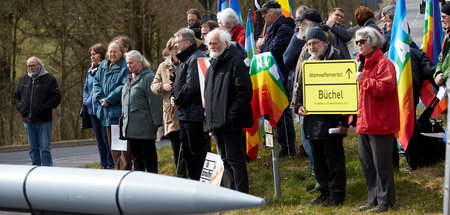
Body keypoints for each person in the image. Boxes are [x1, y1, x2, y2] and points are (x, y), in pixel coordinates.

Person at [294, 27, 348, 207]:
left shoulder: (337, 59)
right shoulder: (307, 63)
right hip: (312, 121)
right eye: (308, 44)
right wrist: (299, 106)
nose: (311, 47)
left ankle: (337, 195)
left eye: (314, 43)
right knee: (318, 159)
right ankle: (324, 191)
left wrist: (344, 122)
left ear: (324, 43)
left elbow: (346, 92)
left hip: (331, 121)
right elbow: (301, 88)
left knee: (333, 158)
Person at [355, 27, 399, 213]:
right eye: (356, 42)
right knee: (367, 164)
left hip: (380, 123)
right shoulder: (361, 63)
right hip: (364, 122)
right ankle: (372, 198)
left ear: (372, 42)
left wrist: (364, 79)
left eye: (362, 41)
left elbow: (386, 88)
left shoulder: (383, 63)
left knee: (382, 165)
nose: (358, 45)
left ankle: (385, 202)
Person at [204, 29, 253, 193]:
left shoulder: (235, 62)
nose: (211, 46)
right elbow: (209, 97)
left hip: (230, 123)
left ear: (225, 44)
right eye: (209, 43)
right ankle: (233, 194)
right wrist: (210, 123)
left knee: (235, 161)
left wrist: (231, 117)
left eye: (215, 43)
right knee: (225, 160)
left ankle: (242, 195)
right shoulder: (212, 65)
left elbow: (244, 92)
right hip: (217, 124)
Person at [256, 0, 296, 158]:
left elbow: (274, 50)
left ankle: (288, 148)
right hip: (273, 75)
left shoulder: (284, 29)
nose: (264, 16)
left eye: (266, 12)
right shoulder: (275, 28)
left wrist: (261, 46)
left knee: (283, 113)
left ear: (275, 12)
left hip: (282, 76)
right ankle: (281, 143)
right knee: (276, 112)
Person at [171, 28, 206, 180]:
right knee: (187, 151)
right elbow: (178, 83)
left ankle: (199, 183)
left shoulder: (195, 58)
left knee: (195, 152)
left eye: (177, 42)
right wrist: (173, 96)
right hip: (185, 113)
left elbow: (191, 86)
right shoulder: (185, 58)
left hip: (193, 114)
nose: (175, 46)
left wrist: (177, 100)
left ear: (187, 42)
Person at [13, 56, 61, 166]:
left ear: (39, 65)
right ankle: (35, 170)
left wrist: (43, 108)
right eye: (28, 66)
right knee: (33, 148)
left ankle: (47, 170)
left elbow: (56, 98)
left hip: (44, 120)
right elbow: (16, 97)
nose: (30, 68)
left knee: (45, 148)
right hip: (28, 121)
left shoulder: (50, 79)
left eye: (33, 65)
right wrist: (21, 108)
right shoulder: (23, 79)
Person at [93, 40, 132, 170]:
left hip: (118, 113)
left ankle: (124, 171)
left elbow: (124, 85)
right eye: (110, 51)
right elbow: (96, 83)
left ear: (122, 52)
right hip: (106, 113)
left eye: (115, 51)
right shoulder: (104, 65)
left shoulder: (125, 66)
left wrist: (109, 99)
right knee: (113, 146)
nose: (112, 54)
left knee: (123, 148)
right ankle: (118, 169)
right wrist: (101, 98)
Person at [122, 50, 163, 173]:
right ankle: (138, 182)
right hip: (131, 126)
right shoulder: (129, 78)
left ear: (140, 62)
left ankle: (153, 181)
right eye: (127, 63)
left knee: (148, 156)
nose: (129, 65)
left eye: (132, 63)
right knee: (137, 157)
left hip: (145, 125)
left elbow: (155, 101)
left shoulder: (149, 77)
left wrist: (157, 121)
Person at [151, 37, 187, 177]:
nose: (177, 50)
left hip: (187, 111)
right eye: (174, 48)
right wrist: (162, 86)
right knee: (177, 150)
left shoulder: (187, 62)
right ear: (170, 50)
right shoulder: (163, 66)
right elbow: (153, 86)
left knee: (189, 150)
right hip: (171, 115)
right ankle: (181, 177)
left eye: (179, 47)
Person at [83, 43, 114, 169]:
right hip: (91, 110)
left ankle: (110, 163)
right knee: (99, 140)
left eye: (94, 54)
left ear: (101, 54)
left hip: (103, 108)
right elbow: (86, 87)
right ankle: (103, 163)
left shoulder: (106, 68)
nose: (92, 57)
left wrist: (101, 99)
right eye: (91, 55)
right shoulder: (90, 71)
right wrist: (85, 99)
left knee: (106, 138)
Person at [434, 3, 450, 86]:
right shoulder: (448, 36)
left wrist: (442, 78)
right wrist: (438, 73)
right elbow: (441, 58)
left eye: (444, 17)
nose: (441, 20)